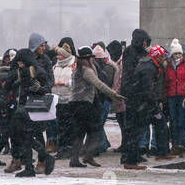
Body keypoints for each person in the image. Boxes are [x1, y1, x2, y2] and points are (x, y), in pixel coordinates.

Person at [63, 46, 123, 167]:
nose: (92, 59)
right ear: (88, 58)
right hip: (84, 104)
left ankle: (74, 159)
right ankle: (88, 155)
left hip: (75, 104)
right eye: (91, 57)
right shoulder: (86, 70)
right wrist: (114, 94)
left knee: (79, 133)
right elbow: (99, 84)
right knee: (95, 130)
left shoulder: (78, 68)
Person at [6, 47, 54, 177]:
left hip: (28, 109)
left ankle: (32, 164)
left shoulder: (32, 71)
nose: (19, 64)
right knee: (26, 137)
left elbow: (47, 88)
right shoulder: (31, 70)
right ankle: (32, 164)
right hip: (29, 109)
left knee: (24, 136)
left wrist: (37, 89)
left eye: (20, 62)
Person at [119, 28, 151, 168]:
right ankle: (130, 159)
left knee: (133, 128)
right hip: (136, 95)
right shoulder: (133, 54)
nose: (146, 44)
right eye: (144, 41)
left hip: (136, 94)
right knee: (133, 128)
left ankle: (131, 155)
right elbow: (133, 74)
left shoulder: (134, 53)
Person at [168, 42, 185, 157]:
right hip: (171, 95)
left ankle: (181, 144)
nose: (178, 55)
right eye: (176, 53)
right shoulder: (168, 65)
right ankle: (175, 144)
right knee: (173, 121)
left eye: (179, 53)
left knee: (182, 121)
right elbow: (166, 81)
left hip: (182, 95)